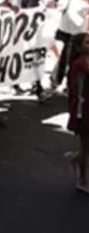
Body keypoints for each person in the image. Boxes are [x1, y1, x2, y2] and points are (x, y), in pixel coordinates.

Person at [53, 0, 89, 89]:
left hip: (81, 32)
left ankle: (70, 81)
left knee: (76, 57)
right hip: (67, 32)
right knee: (66, 57)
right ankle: (57, 80)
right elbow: (59, 10)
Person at [66, 32, 89, 193]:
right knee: (86, 145)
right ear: (79, 47)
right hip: (85, 109)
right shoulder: (80, 65)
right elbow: (75, 89)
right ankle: (82, 179)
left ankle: (76, 157)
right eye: (87, 42)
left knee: (86, 146)